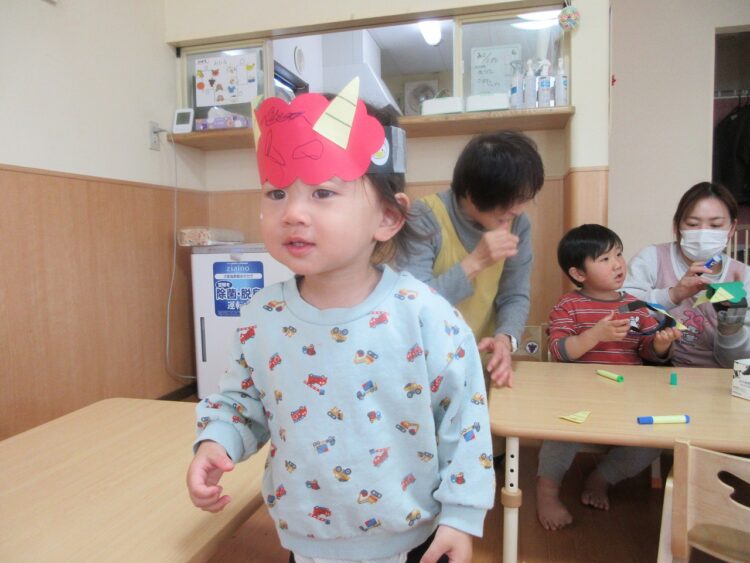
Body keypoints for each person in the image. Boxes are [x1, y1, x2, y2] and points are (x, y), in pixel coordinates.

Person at [186, 81, 494, 563]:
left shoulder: (424, 315)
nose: (293, 213)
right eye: (277, 192)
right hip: (304, 540)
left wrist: (461, 515)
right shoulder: (262, 317)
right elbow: (240, 402)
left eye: (323, 192)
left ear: (387, 219)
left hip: (413, 540)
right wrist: (215, 441)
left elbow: (464, 420)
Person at [536, 224, 682, 531]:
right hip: (578, 400)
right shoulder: (569, 305)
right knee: (557, 437)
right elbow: (559, 350)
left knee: (653, 442)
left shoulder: (635, 307)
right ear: (578, 273)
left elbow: (647, 350)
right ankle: (546, 493)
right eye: (604, 259)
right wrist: (594, 335)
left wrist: (660, 344)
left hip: (627, 400)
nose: (617, 264)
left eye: (618, 254)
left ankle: (602, 478)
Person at [400, 131, 544, 388]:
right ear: (470, 190)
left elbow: (515, 294)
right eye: (508, 200)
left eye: (522, 199)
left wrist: (505, 339)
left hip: (478, 359)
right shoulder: (425, 216)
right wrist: (475, 262)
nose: (516, 209)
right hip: (423, 361)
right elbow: (412, 306)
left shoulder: (518, 224)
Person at [624, 181, 750, 368]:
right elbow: (623, 309)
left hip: (722, 377)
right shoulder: (652, 258)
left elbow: (736, 362)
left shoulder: (743, 275)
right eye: (692, 224)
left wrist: (731, 324)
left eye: (715, 225)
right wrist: (674, 294)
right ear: (677, 225)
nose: (703, 233)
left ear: (732, 228)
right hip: (663, 372)